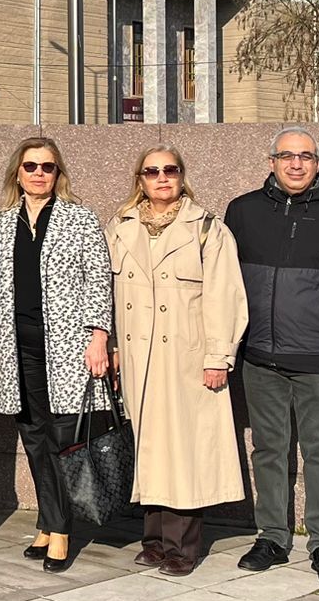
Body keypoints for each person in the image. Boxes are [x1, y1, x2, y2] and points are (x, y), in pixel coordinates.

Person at [225, 130, 319, 586]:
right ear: (271, 161)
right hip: (259, 357)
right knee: (268, 449)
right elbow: (222, 283)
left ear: (318, 163)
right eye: (286, 156)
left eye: (305, 156)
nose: (295, 164)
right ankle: (272, 536)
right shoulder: (243, 211)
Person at [105, 146, 249, 575]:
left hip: (186, 357)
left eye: (171, 170)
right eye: (152, 171)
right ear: (140, 179)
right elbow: (106, 296)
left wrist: (218, 356)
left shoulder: (207, 229)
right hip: (136, 357)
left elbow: (226, 296)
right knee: (149, 447)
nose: (162, 177)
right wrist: (111, 349)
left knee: (184, 452)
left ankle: (182, 546)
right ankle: (153, 539)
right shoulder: (119, 226)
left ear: (182, 176)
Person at [0, 137, 114, 573]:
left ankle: (61, 530)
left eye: (48, 167)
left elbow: (100, 282)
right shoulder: (1, 223)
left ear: (59, 173)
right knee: (33, 437)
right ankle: (47, 520)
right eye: (31, 166)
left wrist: (99, 338)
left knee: (62, 439)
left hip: (64, 348)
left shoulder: (80, 219)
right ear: (17, 174)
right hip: (16, 346)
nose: (39, 173)